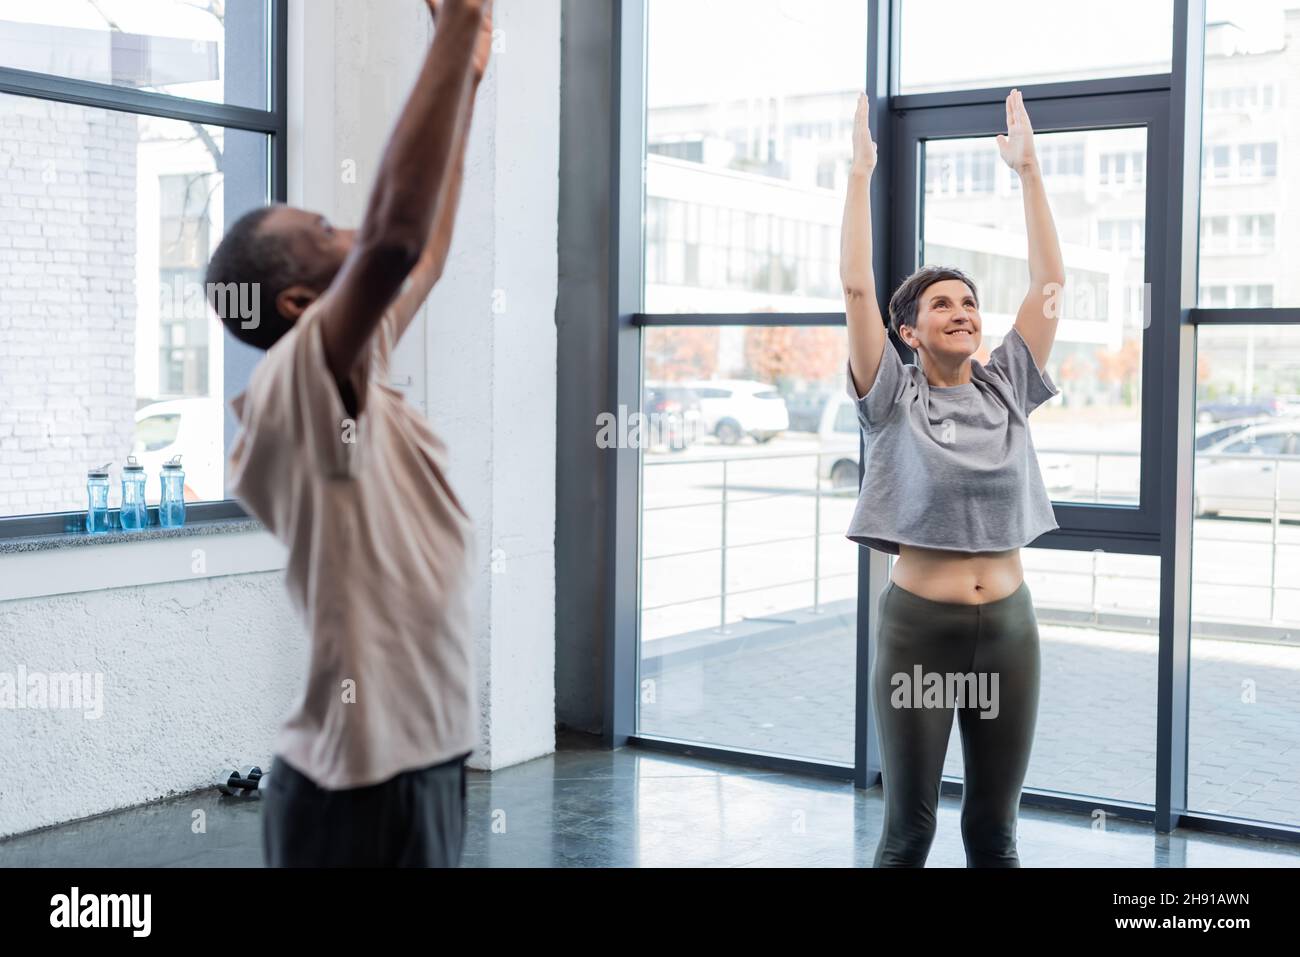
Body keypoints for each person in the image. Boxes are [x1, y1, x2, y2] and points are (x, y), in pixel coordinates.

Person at [203, 0, 494, 867]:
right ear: (295, 302)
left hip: (428, 754)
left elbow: (428, 248)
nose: (348, 231)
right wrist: (456, 25)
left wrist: (469, 77)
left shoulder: (354, 362)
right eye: (324, 233)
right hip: (358, 787)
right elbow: (397, 238)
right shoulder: (298, 383)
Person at [839, 88, 1066, 867]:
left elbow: (1048, 287)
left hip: (1010, 631)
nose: (963, 310)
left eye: (969, 301)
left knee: (994, 831)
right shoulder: (892, 396)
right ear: (910, 330)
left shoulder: (1006, 383)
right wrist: (859, 175)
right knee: (911, 830)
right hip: (919, 637)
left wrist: (1029, 171)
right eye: (942, 303)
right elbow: (857, 289)